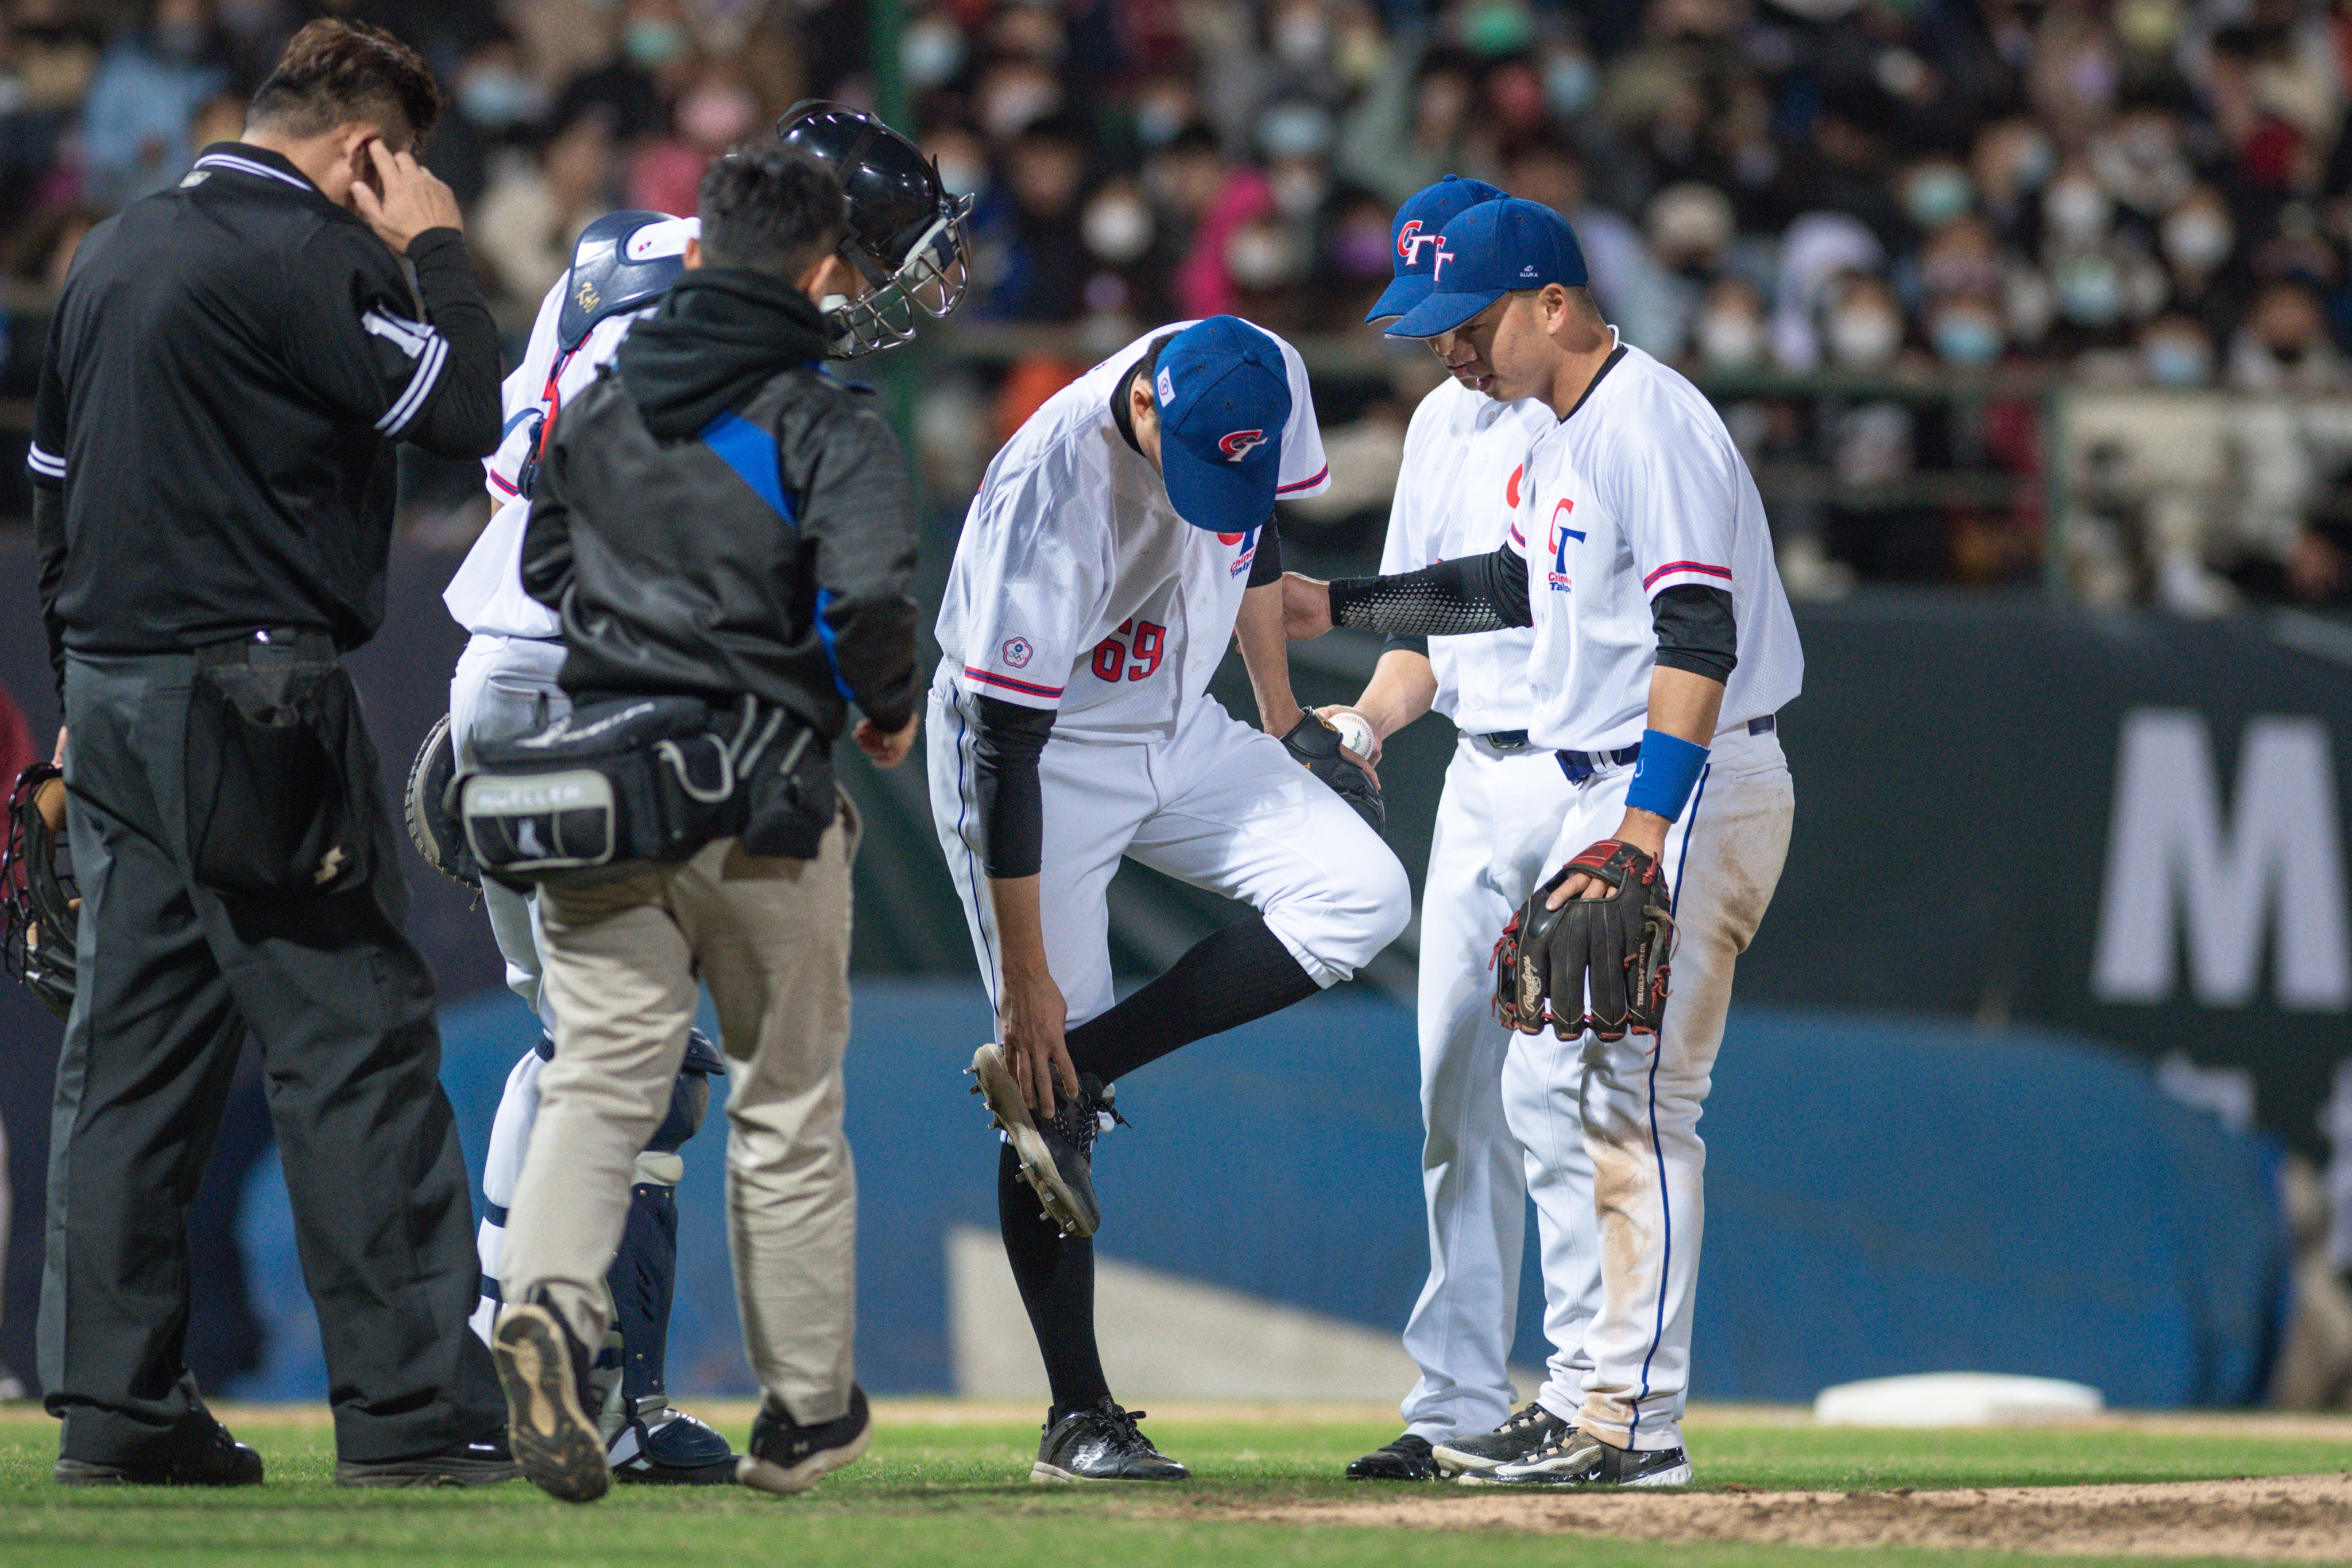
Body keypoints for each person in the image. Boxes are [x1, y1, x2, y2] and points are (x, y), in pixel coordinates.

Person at [436, 99, 968, 1488]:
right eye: (881, 254)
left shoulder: (612, 259)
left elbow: (519, 483)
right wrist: (868, 699)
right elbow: (851, 583)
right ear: (816, 241)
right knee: (741, 1084)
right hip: (676, 717)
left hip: (520, 672)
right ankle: (662, 1382)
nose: (892, 287)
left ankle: (543, 1349)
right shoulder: (802, 392)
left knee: (595, 1050)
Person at [28, 19, 513, 1486]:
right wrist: (437, 253)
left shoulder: (111, 250)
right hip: (254, 701)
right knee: (349, 1039)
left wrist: (77, 699)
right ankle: (417, 1410)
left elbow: (55, 489)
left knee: (127, 1059)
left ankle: (114, 1412)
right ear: (367, 149)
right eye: (403, 163)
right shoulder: (306, 251)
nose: (408, 185)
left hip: (112, 695)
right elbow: (463, 411)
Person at [1283, 197, 1801, 1487]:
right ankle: (1582, 1398)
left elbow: (1698, 635)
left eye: (1469, 325)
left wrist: (1635, 834)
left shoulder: (1650, 418)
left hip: (1675, 782)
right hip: (1610, 787)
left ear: (1552, 303)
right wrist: (1340, 602)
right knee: (1545, 1089)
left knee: (1627, 1100)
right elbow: (1503, 588)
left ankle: (1626, 1422)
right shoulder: (1557, 430)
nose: (1450, 352)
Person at [928, 312, 1410, 1482]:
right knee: (1034, 1077)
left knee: (1361, 891)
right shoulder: (1046, 498)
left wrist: (1283, 716)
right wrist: (1029, 980)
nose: (1216, 486)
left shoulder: (1260, 368)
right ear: (1144, 402)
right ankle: (1076, 1417)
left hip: (1178, 729)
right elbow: (1003, 751)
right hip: (1042, 763)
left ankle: (1089, 1061)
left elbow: (1251, 542)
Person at [1314, 175, 1573, 1484]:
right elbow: (1430, 634)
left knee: (1570, 1099)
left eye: (1459, 316)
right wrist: (1363, 723)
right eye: (1430, 323)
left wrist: (1337, 601)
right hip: (1479, 770)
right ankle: (1458, 1398)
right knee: (1454, 1097)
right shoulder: (1439, 422)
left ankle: (1600, 1399)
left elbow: (1513, 588)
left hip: (1592, 775)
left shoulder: (1594, 417)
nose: (1446, 347)